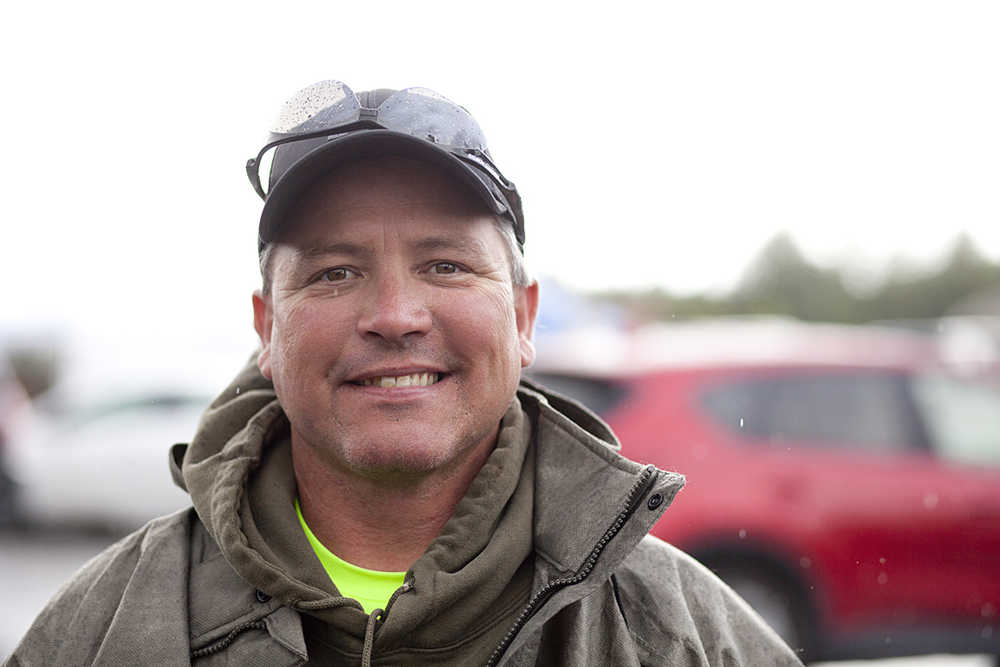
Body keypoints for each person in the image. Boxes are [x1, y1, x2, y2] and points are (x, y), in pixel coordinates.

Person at [8, 81, 802, 666]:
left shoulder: (678, 635)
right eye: (334, 274)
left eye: (446, 265)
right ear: (266, 328)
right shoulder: (102, 630)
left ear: (522, 319)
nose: (395, 313)